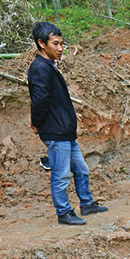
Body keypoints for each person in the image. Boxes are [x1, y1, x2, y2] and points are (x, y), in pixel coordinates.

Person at [27, 21, 107, 225]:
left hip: (65, 132)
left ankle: (87, 203)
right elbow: (39, 100)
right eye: (55, 43)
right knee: (61, 175)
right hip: (55, 131)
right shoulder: (39, 68)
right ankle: (63, 212)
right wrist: (36, 122)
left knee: (81, 169)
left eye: (62, 44)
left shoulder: (48, 66)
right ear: (41, 43)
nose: (60, 48)